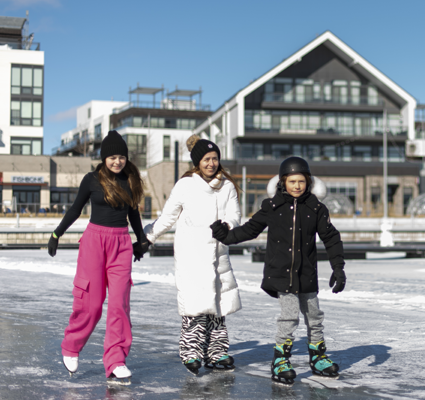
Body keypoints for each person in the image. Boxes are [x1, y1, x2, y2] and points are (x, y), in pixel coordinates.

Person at [210, 156, 346, 386]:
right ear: (283, 182)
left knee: (314, 316)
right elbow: (251, 229)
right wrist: (226, 236)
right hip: (281, 274)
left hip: (307, 273)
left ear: (309, 182)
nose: (297, 186)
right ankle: (280, 359)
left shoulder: (316, 208)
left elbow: (331, 238)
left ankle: (318, 356)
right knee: (289, 316)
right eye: (292, 181)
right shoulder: (273, 207)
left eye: (301, 181)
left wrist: (338, 268)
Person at [47, 130, 150, 385]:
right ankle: (71, 345)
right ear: (104, 158)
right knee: (90, 302)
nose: (118, 162)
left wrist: (141, 240)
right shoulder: (92, 180)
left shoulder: (130, 180)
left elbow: (134, 214)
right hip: (94, 242)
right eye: (113, 157)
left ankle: (116, 361)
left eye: (122, 157)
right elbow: (75, 208)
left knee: (119, 304)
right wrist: (56, 233)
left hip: (121, 244)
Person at [144, 135, 242, 376]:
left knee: (218, 308)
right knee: (195, 308)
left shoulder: (227, 186)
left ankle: (217, 353)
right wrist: (147, 237)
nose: (211, 163)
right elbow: (168, 217)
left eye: (215, 158)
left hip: (218, 254)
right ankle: (191, 352)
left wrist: (226, 225)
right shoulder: (185, 185)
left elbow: (235, 216)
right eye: (207, 159)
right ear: (198, 162)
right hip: (192, 255)